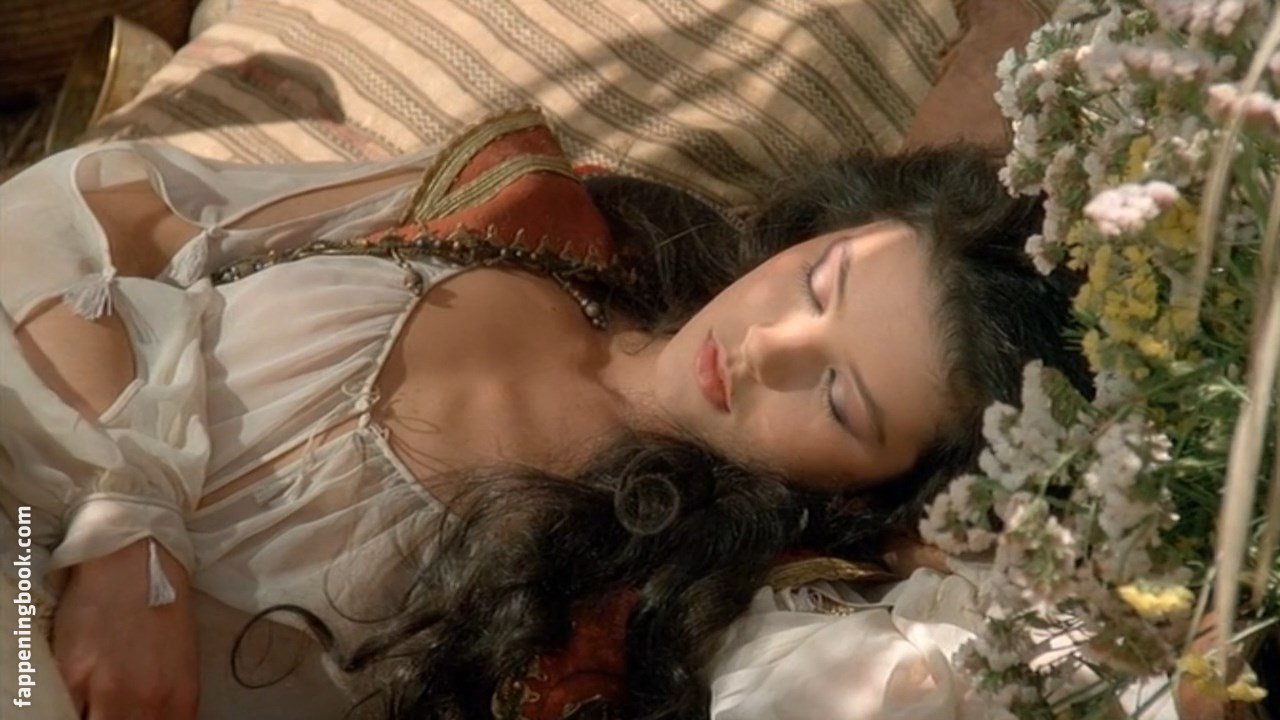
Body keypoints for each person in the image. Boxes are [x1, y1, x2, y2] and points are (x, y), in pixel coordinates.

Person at [0, 106, 1088, 720]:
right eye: (817, 282)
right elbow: (86, 217)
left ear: (878, 490)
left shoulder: (637, 625)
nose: (767, 348)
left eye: (839, 397)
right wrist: (127, 518)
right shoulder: (532, 213)